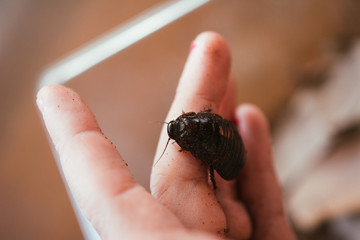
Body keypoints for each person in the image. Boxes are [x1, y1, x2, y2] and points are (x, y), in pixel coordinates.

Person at [36, 32, 296, 239]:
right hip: (229, 145)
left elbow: (206, 155)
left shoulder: (196, 142)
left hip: (231, 151)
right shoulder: (198, 127)